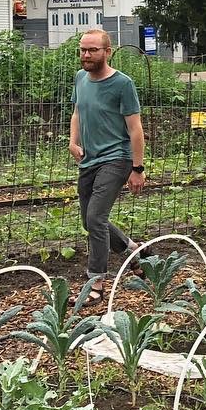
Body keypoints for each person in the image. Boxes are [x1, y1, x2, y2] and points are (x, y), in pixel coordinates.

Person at [70, 29, 145, 304]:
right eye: (83, 50)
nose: (86, 55)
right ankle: (130, 248)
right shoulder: (80, 78)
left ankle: (96, 282)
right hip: (89, 158)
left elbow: (135, 129)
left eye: (92, 50)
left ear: (107, 52)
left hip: (117, 158)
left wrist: (137, 168)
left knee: (95, 218)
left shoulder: (123, 84)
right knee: (88, 220)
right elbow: (77, 111)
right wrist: (72, 141)